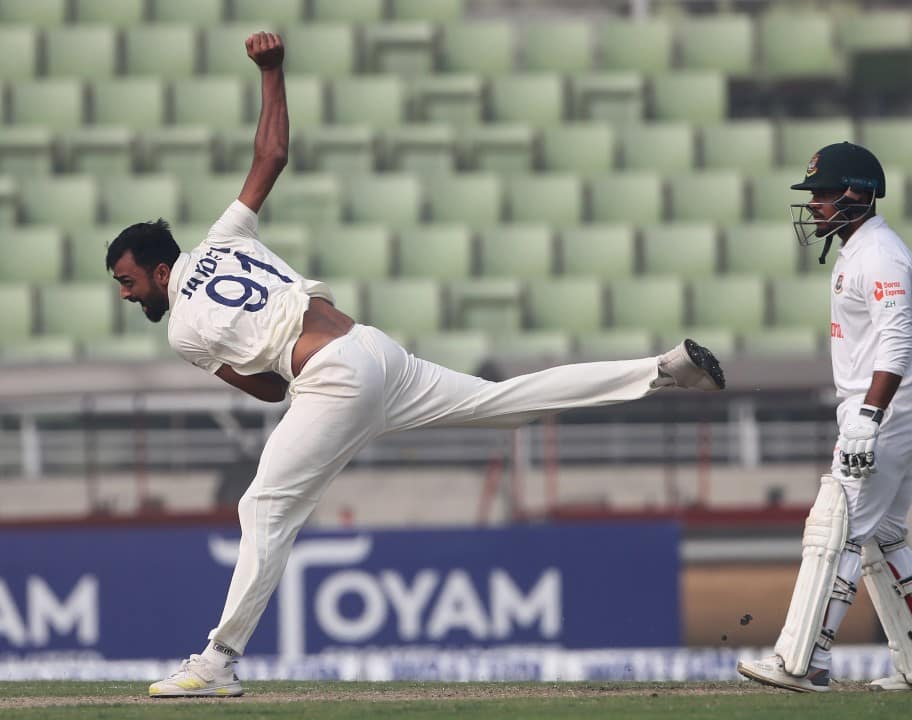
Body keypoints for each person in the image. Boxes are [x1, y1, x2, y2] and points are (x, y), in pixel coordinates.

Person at [107, 32, 727, 699]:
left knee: (263, 504)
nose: (125, 293)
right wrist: (274, 70)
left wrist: (287, 388)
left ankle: (217, 662)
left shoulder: (183, 331)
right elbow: (273, 153)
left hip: (332, 379)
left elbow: (264, 390)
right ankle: (660, 370)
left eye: (127, 280)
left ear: (160, 269)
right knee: (504, 401)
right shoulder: (227, 234)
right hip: (372, 349)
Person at [736, 142, 912, 692]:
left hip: (886, 408)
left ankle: (804, 662)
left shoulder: (881, 256)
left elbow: (896, 340)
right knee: (883, 536)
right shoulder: (860, 252)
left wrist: (868, 416)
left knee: (833, 531)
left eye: (822, 193)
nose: (813, 204)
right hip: (891, 408)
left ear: (856, 194)